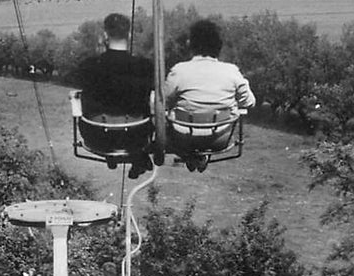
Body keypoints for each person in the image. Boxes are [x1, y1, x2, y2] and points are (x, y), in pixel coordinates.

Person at [163, 19, 256, 171]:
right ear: (218, 46)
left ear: (190, 44)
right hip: (219, 138)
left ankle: (193, 156)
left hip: (183, 137)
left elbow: (162, 101)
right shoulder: (231, 71)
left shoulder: (179, 71)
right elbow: (249, 102)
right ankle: (198, 157)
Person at [74, 13, 155, 178]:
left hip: (97, 137)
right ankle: (138, 157)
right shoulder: (145, 67)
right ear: (130, 35)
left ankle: (128, 157)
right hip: (134, 137)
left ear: (105, 35)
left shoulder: (89, 66)